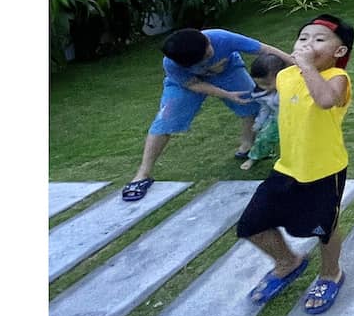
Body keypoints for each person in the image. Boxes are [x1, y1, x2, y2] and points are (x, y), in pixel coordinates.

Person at [235, 14, 354, 316]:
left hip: (325, 170)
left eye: (319, 39)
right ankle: (288, 262)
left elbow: (325, 101)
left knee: (324, 229)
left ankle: (331, 274)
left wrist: (309, 67)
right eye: (303, 38)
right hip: (287, 166)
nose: (308, 44)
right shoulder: (285, 77)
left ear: (339, 52)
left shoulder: (337, 78)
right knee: (251, 225)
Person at [121, 26, 292, 202]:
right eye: (206, 54)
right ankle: (143, 174)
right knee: (165, 121)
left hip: (228, 71)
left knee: (250, 104)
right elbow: (193, 84)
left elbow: (265, 49)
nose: (211, 49)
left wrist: (297, 64)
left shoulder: (221, 37)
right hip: (186, 84)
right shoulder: (172, 64)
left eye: (209, 46)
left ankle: (247, 145)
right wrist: (226, 94)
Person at [240, 53, 284, 171]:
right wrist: (259, 123)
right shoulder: (260, 93)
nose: (264, 87)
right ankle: (254, 157)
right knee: (263, 138)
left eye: (267, 83)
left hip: (296, 118)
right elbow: (265, 108)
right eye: (260, 84)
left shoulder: (290, 87)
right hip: (276, 119)